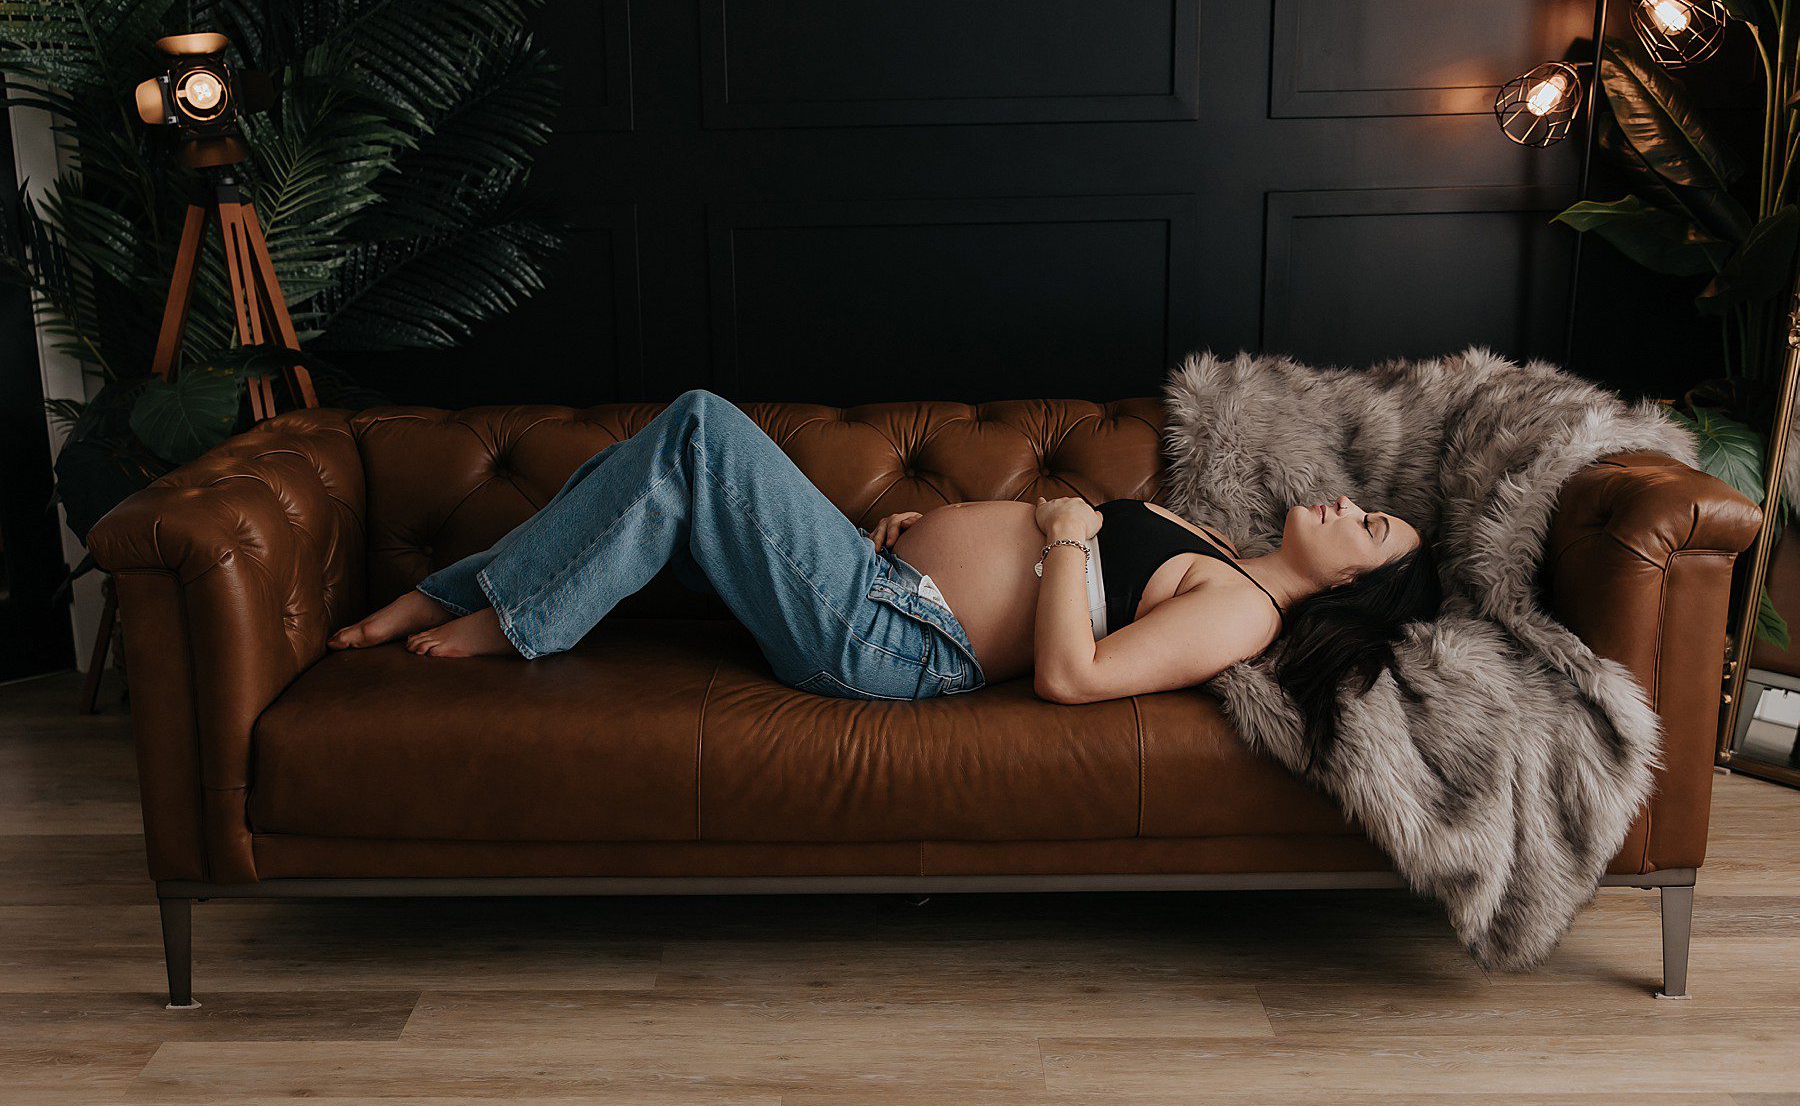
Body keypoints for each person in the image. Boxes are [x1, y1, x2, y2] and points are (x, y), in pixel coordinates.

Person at [329, 389, 1439, 722]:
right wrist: (937, 534)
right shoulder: (1218, 545)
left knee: (703, 429)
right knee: (641, 472)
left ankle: (505, 619)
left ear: (1355, 582)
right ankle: (454, 596)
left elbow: (1074, 676)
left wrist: (1055, 536)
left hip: (892, 643)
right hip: (885, 588)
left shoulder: (1245, 613)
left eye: (1373, 527)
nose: (1352, 505)